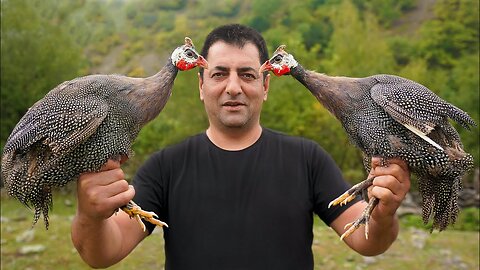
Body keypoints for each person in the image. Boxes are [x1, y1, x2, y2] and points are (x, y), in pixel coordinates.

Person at [71, 24, 411, 269]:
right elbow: (102, 254)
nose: (233, 87)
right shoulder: (165, 166)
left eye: (247, 75)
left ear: (265, 86)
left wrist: (383, 213)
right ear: (201, 85)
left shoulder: (308, 159)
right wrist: (90, 215)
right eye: (219, 74)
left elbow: (368, 241)